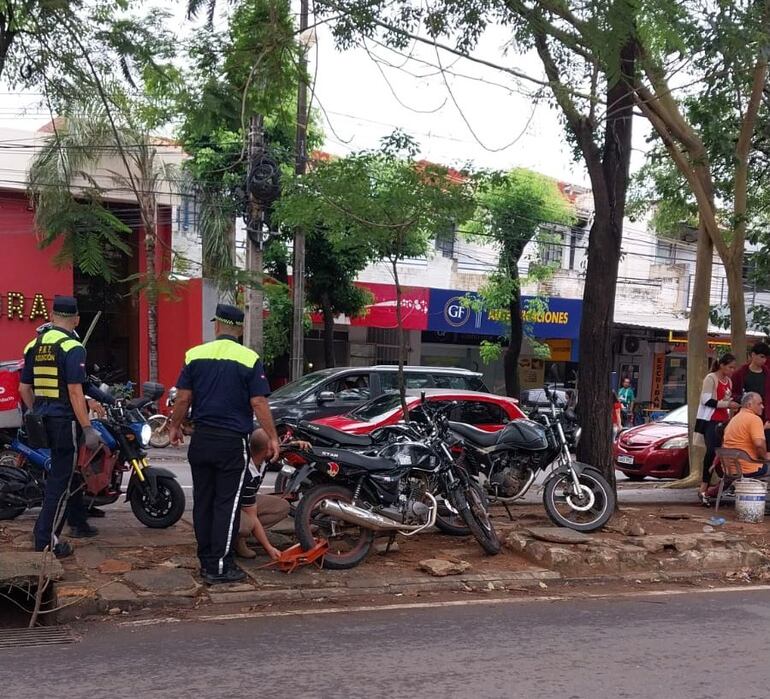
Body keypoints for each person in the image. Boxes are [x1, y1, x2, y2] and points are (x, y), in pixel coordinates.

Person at [169, 303, 280, 585]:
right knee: (226, 505)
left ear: (216, 326)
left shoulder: (194, 354)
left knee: (203, 502)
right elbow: (258, 402)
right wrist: (273, 436)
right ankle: (219, 566)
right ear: (240, 329)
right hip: (231, 442)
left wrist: (174, 426)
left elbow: (183, 398)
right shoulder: (249, 358)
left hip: (202, 439)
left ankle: (206, 559)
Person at [18, 295, 102, 559]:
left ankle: (45, 532)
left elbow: (24, 388)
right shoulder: (72, 347)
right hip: (66, 423)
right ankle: (47, 540)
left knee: (56, 478)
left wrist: (37, 412)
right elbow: (75, 391)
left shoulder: (34, 344)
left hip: (43, 422)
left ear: (52, 316)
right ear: (76, 319)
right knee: (62, 483)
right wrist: (88, 428)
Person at [233, 431, 311, 560]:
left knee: (282, 507)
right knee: (247, 525)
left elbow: (281, 450)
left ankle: (244, 535)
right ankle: (235, 539)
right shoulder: (247, 475)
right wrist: (269, 548)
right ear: (267, 450)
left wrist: (296, 445)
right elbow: (252, 515)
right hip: (232, 505)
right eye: (273, 445)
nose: (277, 447)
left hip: (246, 502)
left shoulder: (262, 456)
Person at [695, 353, 740, 506]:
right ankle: (704, 485)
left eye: (734, 367)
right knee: (712, 451)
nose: (732, 370)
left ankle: (724, 482)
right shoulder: (711, 378)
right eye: (730, 367)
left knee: (723, 451)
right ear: (722, 365)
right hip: (710, 420)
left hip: (723, 420)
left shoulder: (729, 381)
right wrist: (727, 404)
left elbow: (726, 400)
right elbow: (706, 400)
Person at [722, 392, 770, 477]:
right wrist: (765, 457)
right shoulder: (754, 419)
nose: (762, 407)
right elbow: (759, 445)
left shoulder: (733, 420)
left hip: (730, 470)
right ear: (749, 405)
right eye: (759, 404)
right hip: (750, 469)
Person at [731, 342, 770, 444]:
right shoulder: (739, 374)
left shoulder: (767, 374)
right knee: (746, 443)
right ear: (753, 355)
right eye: (761, 357)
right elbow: (733, 393)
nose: (764, 360)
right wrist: (743, 399)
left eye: (765, 358)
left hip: (764, 416)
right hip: (745, 415)